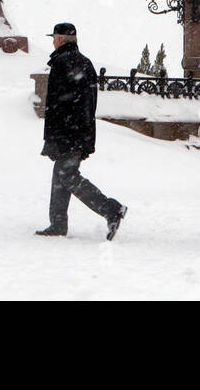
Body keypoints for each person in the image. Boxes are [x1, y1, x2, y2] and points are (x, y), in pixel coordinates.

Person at [38, 23, 126, 240]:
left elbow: (56, 106)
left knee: (66, 174)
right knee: (62, 174)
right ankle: (58, 224)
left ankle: (110, 209)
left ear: (59, 39)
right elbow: (89, 102)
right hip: (81, 131)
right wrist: (85, 134)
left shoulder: (61, 63)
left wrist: (52, 138)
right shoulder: (85, 63)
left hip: (66, 133)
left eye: (54, 38)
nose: (52, 41)